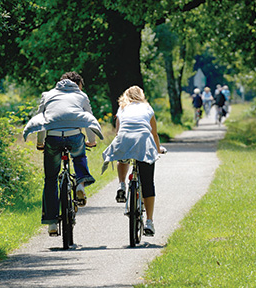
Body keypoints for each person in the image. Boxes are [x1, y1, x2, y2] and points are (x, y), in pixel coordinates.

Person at [23, 71, 103, 235]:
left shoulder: (48, 95)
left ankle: (52, 223)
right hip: (74, 136)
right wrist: (91, 140)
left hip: (52, 138)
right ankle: (80, 184)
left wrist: (40, 143)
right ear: (78, 84)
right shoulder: (81, 96)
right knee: (79, 155)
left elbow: (41, 120)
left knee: (51, 179)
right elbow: (88, 118)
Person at [101, 86, 166, 236]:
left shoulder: (122, 108)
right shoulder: (147, 108)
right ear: (141, 96)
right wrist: (157, 149)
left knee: (123, 154)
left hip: (124, 139)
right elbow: (154, 133)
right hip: (143, 140)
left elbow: (118, 132)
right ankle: (149, 222)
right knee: (148, 182)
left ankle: (122, 185)